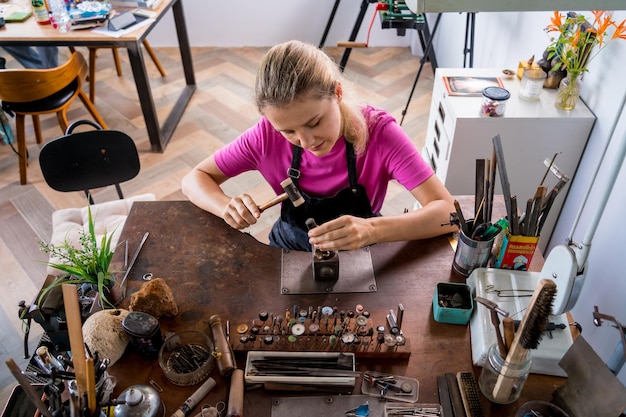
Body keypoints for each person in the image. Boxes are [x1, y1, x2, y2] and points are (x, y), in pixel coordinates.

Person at [182, 40, 457, 252]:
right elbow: (194, 178)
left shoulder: (379, 133)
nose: (307, 141)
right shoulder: (265, 136)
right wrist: (225, 206)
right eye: (288, 131)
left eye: (314, 122)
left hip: (360, 249)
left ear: (337, 93)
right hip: (289, 248)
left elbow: (447, 211)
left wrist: (372, 230)